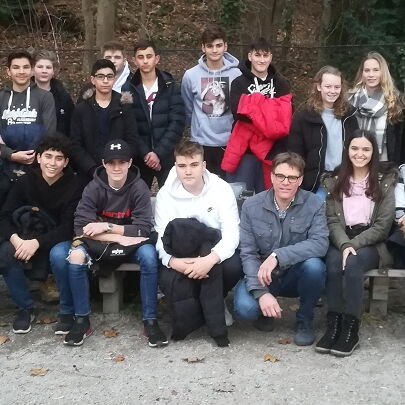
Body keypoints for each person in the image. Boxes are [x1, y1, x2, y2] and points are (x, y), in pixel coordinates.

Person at [50, 139, 167, 347]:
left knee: (149, 255)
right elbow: (81, 229)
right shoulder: (93, 187)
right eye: (111, 162)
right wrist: (120, 237)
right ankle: (81, 320)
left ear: (130, 163)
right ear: (104, 163)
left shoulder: (139, 186)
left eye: (121, 162)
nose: (116, 167)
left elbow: (143, 229)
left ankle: (150, 320)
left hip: (129, 243)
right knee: (76, 255)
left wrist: (106, 227)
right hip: (104, 242)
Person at [234, 152, 329, 346]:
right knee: (245, 308)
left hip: (296, 274)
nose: (285, 182)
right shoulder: (251, 206)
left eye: (292, 177)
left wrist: (278, 256)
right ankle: (266, 309)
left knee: (315, 266)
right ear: (271, 177)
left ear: (300, 180)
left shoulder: (315, 203)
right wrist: (261, 293)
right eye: (280, 176)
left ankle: (305, 318)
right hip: (264, 275)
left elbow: (320, 243)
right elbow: (248, 253)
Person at [315, 129, 395, 357]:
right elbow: (332, 219)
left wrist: (353, 245)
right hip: (340, 237)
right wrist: (344, 244)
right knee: (332, 265)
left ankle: (351, 328)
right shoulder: (334, 180)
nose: (360, 154)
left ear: (373, 152)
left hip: (371, 241)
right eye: (355, 148)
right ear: (347, 150)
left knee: (353, 264)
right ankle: (333, 325)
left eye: (366, 149)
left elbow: (382, 226)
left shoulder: (385, 181)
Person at [155, 139, 242, 347]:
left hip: (212, 250)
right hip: (180, 254)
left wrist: (210, 260)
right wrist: (173, 262)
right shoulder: (165, 195)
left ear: (203, 165)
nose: (188, 171)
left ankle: (217, 301)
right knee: (166, 273)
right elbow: (159, 235)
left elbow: (232, 233)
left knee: (234, 266)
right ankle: (194, 312)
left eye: (194, 165)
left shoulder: (221, 189)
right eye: (182, 165)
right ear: (175, 166)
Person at [0, 136, 81, 334]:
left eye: (59, 158)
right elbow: (4, 216)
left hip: (58, 238)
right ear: (38, 158)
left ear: (66, 162)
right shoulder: (25, 181)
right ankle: (25, 308)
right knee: (5, 252)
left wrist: (37, 242)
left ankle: (67, 310)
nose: (52, 163)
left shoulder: (74, 185)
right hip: (25, 234)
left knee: (60, 256)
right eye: (48, 156)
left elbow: (68, 227)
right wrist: (16, 240)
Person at [222, 37, 292, 192]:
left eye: (265, 55)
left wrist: (253, 106)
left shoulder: (282, 84)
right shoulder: (238, 83)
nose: (262, 60)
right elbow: (239, 114)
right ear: (250, 56)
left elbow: (285, 117)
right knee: (242, 196)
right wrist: (270, 111)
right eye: (257, 55)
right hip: (246, 151)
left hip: (274, 150)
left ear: (271, 57)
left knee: (269, 196)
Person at [122, 39, 185, 188]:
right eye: (140, 57)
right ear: (134, 60)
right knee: (138, 198)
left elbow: (177, 122)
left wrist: (159, 153)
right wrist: (146, 154)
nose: (145, 61)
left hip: (167, 155)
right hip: (140, 157)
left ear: (156, 59)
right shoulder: (127, 88)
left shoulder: (171, 85)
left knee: (171, 196)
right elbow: (128, 124)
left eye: (149, 56)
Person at [288, 66, 358, 196]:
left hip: (344, 181)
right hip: (316, 184)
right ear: (319, 87)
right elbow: (295, 155)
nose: (332, 91)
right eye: (328, 86)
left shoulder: (349, 116)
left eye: (337, 87)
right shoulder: (304, 116)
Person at [181, 24, 241, 176]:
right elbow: (188, 108)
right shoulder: (190, 75)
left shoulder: (237, 74)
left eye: (218, 45)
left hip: (229, 143)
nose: (214, 50)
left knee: (227, 186)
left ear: (225, 46)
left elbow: (239, 109)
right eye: (210, 46)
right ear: (203, 48)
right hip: (200, 143)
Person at [0, 51, 56, 203]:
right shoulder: (1, 98)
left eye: (25, 67)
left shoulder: (45, 97)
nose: (21, 71)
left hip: (36, 166)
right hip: (4, 166)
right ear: (8, 71)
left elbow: (50, 134)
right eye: (16, 67)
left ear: (32, 71)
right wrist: (10, 155)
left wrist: (33, 156)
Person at [70, 59, 138, 183]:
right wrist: (92, 169)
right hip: (88, 175)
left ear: (114, 79)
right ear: (93, 80)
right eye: (101, 76)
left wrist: (117, 165)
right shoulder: (82, 109)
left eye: (109, 76)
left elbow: (132, 140)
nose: (105, 81)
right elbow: (76, 145)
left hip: (118, 172)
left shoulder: (124, 107)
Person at [348, 51, 404, 165]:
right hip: (354, 162)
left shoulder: (396, 101)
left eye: (376, 70)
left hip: (384, 164)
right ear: (362, 73)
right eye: (367, 70)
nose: (371, 75)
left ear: (383, 72)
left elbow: (399, 141)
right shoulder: (349, 100)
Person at [33, 50, 74, 137]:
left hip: (56, 143)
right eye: (40, 67)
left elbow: (72, 124)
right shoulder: (23, 93)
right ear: (33, 69)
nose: (44, 71)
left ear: (53, 70)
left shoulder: (63, 96)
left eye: (48, 67)